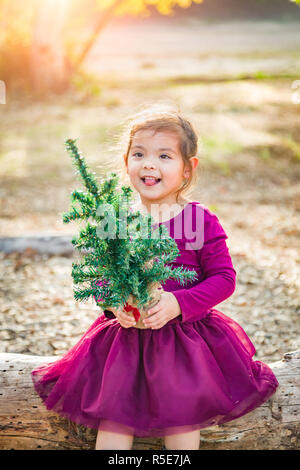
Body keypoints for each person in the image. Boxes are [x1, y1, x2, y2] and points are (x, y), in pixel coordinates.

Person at [31, 104, 279, 450]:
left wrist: (178, 302)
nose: (149, 163)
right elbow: (103, 276)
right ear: (126, 162)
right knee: (114, 418)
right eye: (139, 154)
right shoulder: (114, 218)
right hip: (126, 341)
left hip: (186, 340)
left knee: (182, 417)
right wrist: (115, 303)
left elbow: (224, 278)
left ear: (188, 169)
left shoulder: (200, 219)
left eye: (164, 155)